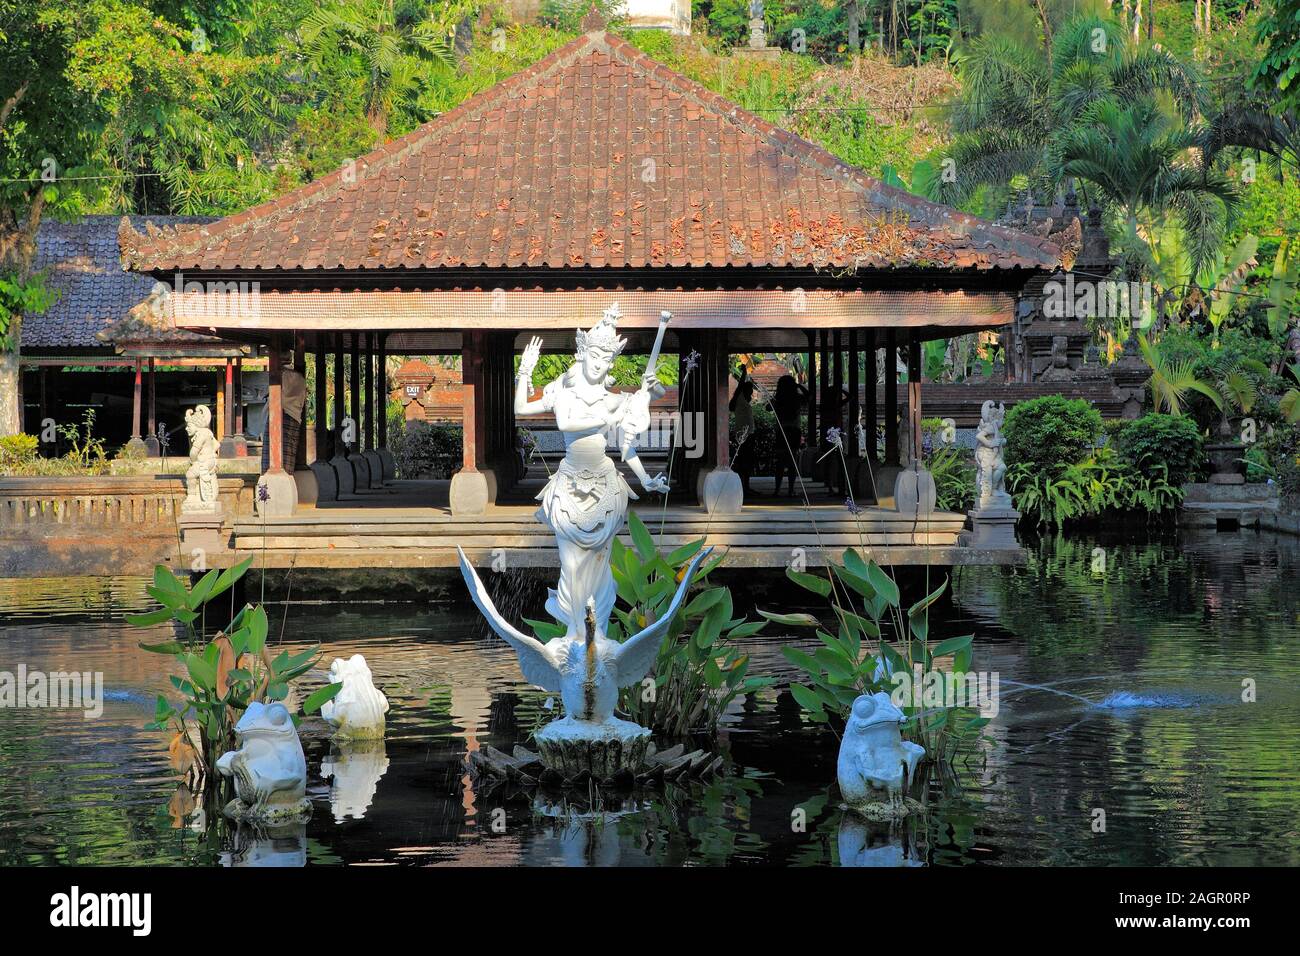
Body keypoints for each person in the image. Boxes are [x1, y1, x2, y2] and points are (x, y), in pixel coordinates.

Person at [513, 304, 668, 640]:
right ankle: (573, 632)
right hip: (569, 487)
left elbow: (628, 446)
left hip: (606, 487)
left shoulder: (612, 399)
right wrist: (525, 372)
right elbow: (531, 411)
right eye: (595, 357)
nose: (600, 366)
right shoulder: (564, 393)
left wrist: (645, 479)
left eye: (606, 360)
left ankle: (595, 637)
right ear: (583, 355)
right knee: (570, 567)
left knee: (600, 569)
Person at [771, 374, 807, 497]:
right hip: (794, 430)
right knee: (793, 462)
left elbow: (767, 407)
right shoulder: (796, 398)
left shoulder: (779, 398)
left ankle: (776, 489)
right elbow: (809, 397)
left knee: (780, 462)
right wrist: (799, 386)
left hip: (781, 430)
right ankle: (790, 490)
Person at [730, 366, 756, 495]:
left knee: (748, 461)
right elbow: (739, 387)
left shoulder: (744, 400)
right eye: (750, 390)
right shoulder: (739, 398)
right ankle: (742, 486)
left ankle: (746, 485)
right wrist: (744, 372)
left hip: (748, 434)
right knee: (743, 461)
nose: (752, 392)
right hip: (743, 434)